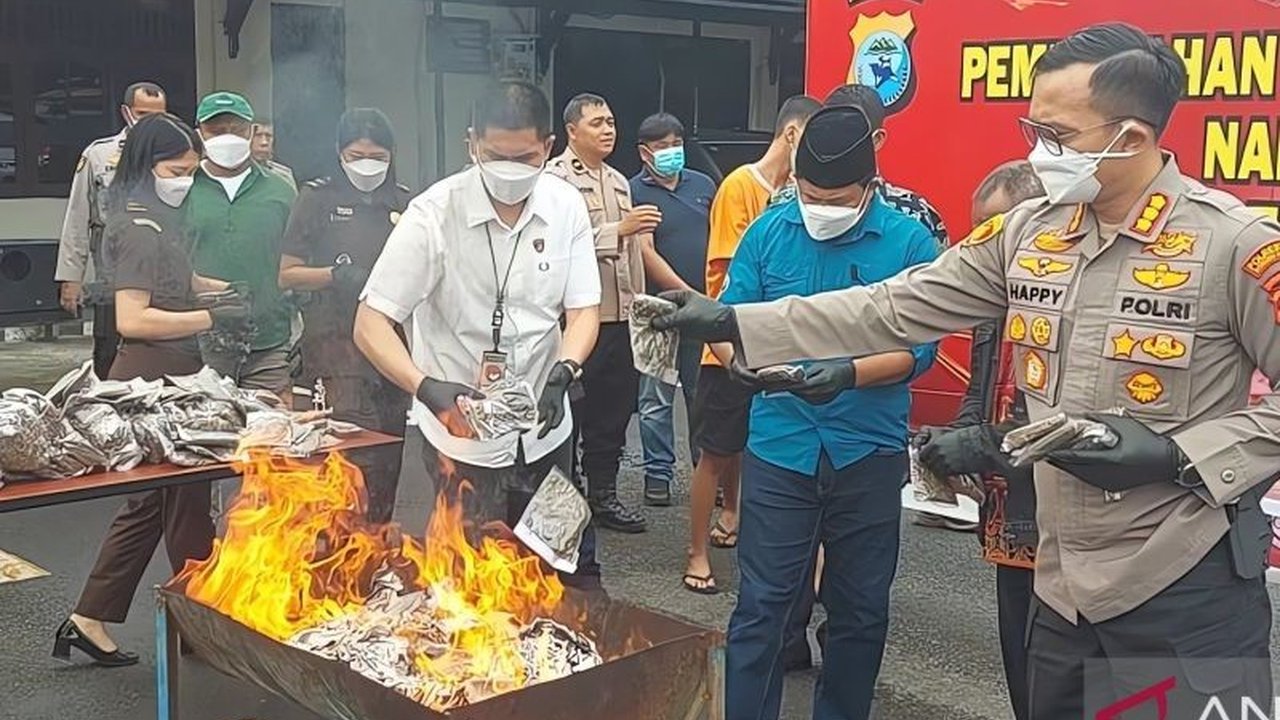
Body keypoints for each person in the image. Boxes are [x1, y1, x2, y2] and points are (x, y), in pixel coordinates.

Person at [656, 23, 1279, 718]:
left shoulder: (1232, 245)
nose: (1038, 154)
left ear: (1130, 138)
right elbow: (894, 306)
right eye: (1031, 129)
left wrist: (1178, 454)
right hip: (1060, 581)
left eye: (1056, 136)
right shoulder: (1029, 232)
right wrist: (740, 322)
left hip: (1182, 581)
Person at [714, 104, 938, 720]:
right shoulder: (770, 230)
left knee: (860, 609)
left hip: (866, 449)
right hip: (780, 445)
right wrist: (735, 360)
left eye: (835, 198)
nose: (819, 207)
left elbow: (919, 350)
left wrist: (847, 374)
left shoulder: (909, 241)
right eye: (808, 193)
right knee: (762, 604)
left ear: (868, 187)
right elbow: (729, 317)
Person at [353, 80, 603, 589]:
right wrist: (425, 387)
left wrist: (565, 370)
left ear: (548, 147)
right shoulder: (432, 215)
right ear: (472, 145)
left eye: (525, 157)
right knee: (470, 582)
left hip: (546, 429)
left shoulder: (565, 206)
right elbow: (371, 322)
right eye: (495, 155)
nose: (510, 170)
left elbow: (583, 311)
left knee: (557, 569)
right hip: (460, 436)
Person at [54, 114, 251, 666]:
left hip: (163, 372)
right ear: (147, 165)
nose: (186, 179)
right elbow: (134, 318)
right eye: (176, 169)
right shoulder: (140, 228)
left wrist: (224, 292)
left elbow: (179, 282)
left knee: (150, 505)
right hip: (152, 376)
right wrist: (211, 321)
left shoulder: (154, 217)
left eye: (192, 170)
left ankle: (90, 618)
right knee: (187, 501)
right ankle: (201, 621)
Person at [918, 160, 1045, 720]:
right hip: (1007, 521)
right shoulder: (994, 299)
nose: (983, 244)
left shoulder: (1070, 301)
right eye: (978, 232)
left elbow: (1077, 422)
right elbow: (980, 386)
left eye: (995, 230)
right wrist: (950, 442)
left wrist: (981, 446)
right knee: (1019, 661)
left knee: (1065, 671)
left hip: (1063, 522)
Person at [684, 94, 821, 595]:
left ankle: (735, 514)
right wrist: (728, 352)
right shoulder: (741, 186)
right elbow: (722, 278)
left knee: (749, 448)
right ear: (791, 134)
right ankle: (697, 551)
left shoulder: (799, 194)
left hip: (776, 348)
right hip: (728, 348)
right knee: (715, 452)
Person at [279, 108, 412, 523]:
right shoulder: (317, 199)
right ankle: (336, 556)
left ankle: (376, 551)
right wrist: (336, 276)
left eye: (378, 155)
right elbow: (287, 274)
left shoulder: (405, 202)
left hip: (389, 352)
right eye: (357, 155)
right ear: (339, 154)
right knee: (344, 464)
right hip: (334, 350)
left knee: (387, 460)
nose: (368, 164)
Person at [546, 93, 652, 533]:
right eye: (596, 123)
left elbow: (634, 256)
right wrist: (617, 230)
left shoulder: (619, 181)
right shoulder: (555, 181)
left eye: (610, 121)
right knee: (571, 411)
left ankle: (603, 495)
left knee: (613, 411)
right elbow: (556, 249)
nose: (608, 130)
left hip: (620, 314)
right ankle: (560, 503)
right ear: (572, 131)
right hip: (576, 321)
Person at [186, 92, 298, 403]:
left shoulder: (281, 190)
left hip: (268, 343)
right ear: (200, 134)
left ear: (251, 131)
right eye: (216, 130)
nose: (227, 137)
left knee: (272, 439)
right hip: (199, 346)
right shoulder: (182, 188)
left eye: (236, 129)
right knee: (204, 438)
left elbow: (298, 260)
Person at [629, 112, 715, 507]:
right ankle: (658, 474)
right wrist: (685, 293)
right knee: (656, 395)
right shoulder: (635, 192)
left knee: (704, 393)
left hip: (706, 307)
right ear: (645, 152)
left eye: (676, 144)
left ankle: (707, 471)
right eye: (663, 147)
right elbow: (645, 252)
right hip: (659, 309)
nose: (672, 152)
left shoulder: (703, 185)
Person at [55, 82, 167, 378]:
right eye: (143, 114)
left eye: (159, 115)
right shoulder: (99, 155)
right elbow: (79, 215)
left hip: (163, 260)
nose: (151, 122)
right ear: (126, 112)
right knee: (109, 346)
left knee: (161, 343)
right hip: (112, 261)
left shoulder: (175, 152)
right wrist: (71, 278)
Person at [819, 84, 949, 251]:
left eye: (851, 134)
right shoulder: (791, 208)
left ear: (877, 139)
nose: (837, 142)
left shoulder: (915, 215)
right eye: (828, 131)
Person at [251, 118, 297, 191]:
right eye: (258, 135)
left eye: (268, 136)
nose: (264, 142)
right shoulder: (234, 175)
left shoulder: (283, 176)